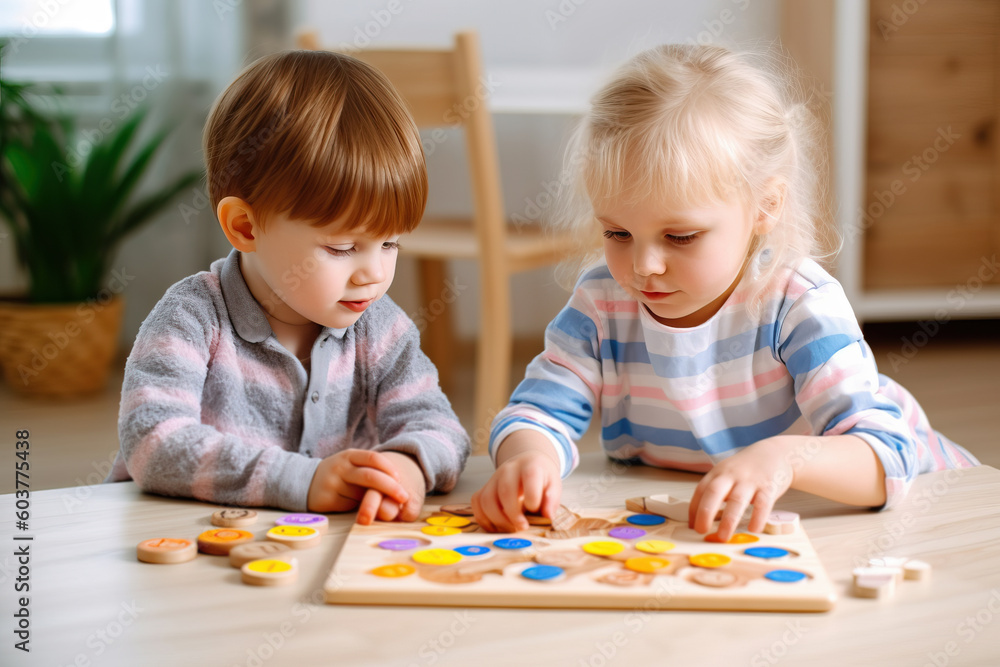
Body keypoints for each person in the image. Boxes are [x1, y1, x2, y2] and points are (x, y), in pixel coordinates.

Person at [471, 44, 978, 539]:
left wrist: (782, 457)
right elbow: (537, 412)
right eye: (617, 234)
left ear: (765, 206)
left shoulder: (798, 303)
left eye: (681, 236)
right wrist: (528, 457)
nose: (643, 266)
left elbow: (887, 455)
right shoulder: (602, 302)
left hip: (933, 501)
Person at [109, 50, 470, 524]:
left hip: (312, 551)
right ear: (245, 227)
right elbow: (153, 440)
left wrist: (409, 464)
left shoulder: (380, 327)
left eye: (391, 243)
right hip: (187, 545)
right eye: (342, 248)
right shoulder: (191, 317)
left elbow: (440, 426)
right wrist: (300, 481)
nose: (374, 273)